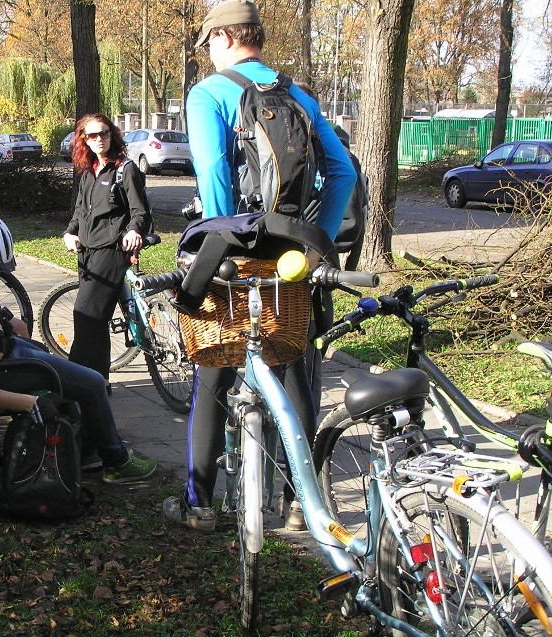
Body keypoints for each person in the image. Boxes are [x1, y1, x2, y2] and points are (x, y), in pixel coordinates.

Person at [162, 0, 356, 532]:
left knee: (213, 370)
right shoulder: (298, 95)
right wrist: (315, 239)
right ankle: (299, 503)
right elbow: (342, 172)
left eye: (209, 46)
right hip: (293, 254)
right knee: (294, 370)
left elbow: (212, 173)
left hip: (235, 253)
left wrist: (223, 244)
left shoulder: (210, 94)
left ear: (223, 38)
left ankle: (199, 503)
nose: (209, 56)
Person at [0, 204, 157, 484]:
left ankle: (85, 450)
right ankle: (117, 462)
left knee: (59, 365)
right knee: (92, 383)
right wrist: (31, 403)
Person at [62, 114, 153, 394]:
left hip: (112, 250)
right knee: (97, 321)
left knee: (84, 315)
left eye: (103, 133)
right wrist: (70, 232)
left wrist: (134, 230)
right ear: (84, 140)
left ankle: (74, 384)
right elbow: (80, 209)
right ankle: (99, 382)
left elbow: (140, 211)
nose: (99, 139)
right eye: (92, 135)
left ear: (112, 135)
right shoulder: (87, 170)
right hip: (86, 250)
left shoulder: (125, 170)